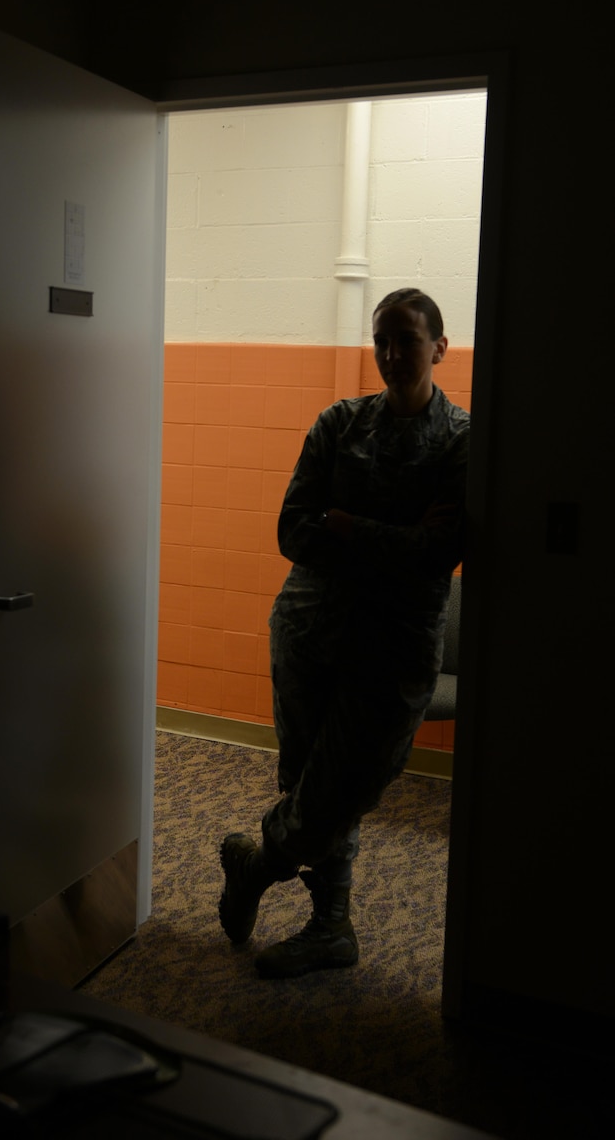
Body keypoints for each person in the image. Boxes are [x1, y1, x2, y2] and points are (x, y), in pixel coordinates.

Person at [218, 287, 470, 978]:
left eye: (407, 340)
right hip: (308, 629)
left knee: (346, 783)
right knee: (307, 776)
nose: (391, 354)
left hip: (393, 649)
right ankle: (330, 926)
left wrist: (352, 528)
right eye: (380, 339)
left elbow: (439, 551)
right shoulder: (338, 424)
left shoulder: (461, 441)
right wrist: (395, 539)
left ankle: (256, 862)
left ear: (439, 347)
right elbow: (292, 530)